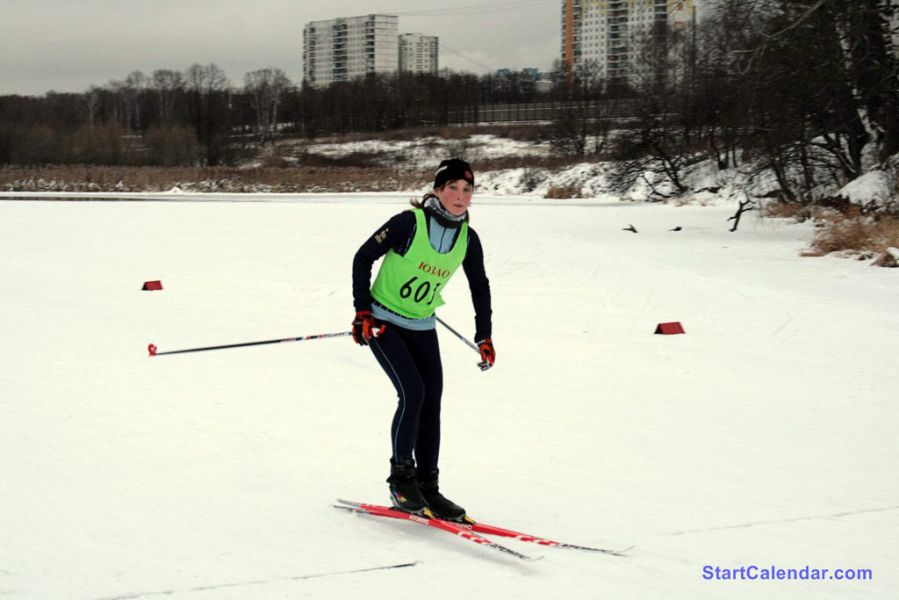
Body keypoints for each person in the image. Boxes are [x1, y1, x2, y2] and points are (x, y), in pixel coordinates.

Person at [351, 158, 495, 522]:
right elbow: (363, 257)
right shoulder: (409, 223)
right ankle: (401, 480)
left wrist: (485, 335)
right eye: (453, 188)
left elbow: (479, 285)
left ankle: (428, 486)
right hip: (383, 322)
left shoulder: (468, 238)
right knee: (412, 393)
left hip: (422, 325)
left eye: (467, 190)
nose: (460, 197)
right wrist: (362, 311)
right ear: (437, 190)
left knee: (432, 402)